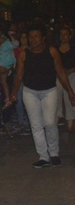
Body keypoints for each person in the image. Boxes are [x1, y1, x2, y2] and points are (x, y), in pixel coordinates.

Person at [11, 24, 75, 168]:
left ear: (43, 38)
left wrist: (70, 91)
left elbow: (60, 71)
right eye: (30, 37)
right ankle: (43, 156)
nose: (32, 39)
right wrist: (14, 92)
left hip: (49, 91)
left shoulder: (51, 51)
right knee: (36, 125)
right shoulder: (24, 54)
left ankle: (54, 153)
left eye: (36, 36)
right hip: (30, 92)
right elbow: (19, 75)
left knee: (50, 122)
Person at [58, 25, 75, 133]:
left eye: (66, 34)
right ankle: (57, 116)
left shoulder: (73, 49)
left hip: (71, 74)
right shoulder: (55, 50)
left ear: (69, 36)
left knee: (70, 92)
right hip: (58, 76)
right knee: (56, 94)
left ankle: (70, 121)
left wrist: (69, 71)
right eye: (61, 34)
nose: (63, 36)